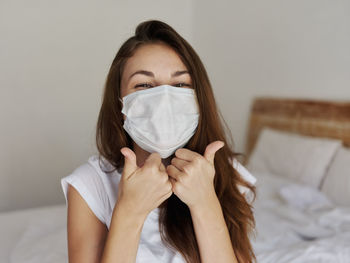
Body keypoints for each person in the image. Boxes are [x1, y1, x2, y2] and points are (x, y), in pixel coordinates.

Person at [61, 19, 257, 263]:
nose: (164, 99)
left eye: (180, 84)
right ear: (120, 103)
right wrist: (129, 213)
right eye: (144, 85)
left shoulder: (228, 175)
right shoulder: (90, 185)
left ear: (198, 99)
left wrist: (205, 203)